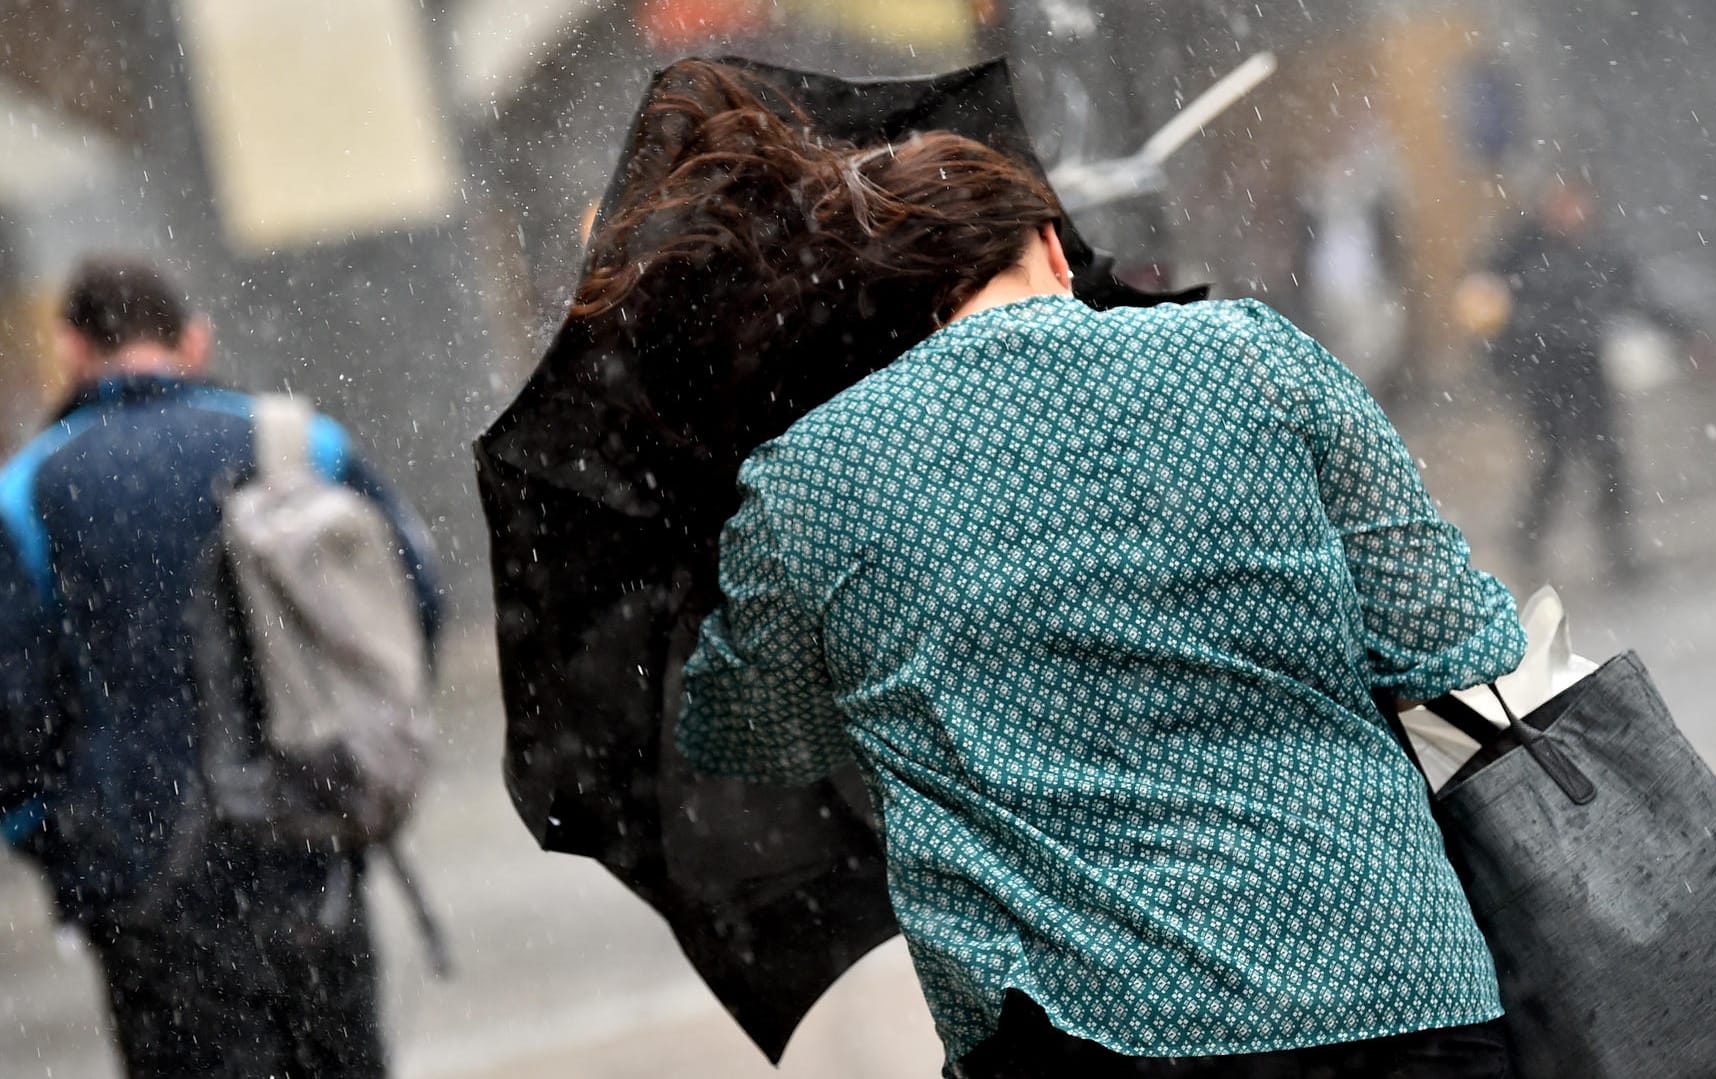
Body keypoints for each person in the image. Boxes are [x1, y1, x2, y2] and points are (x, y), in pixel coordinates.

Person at [591, 60, 1525, 1079]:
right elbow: (1454, 637)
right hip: (1391, 979)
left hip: (1080, 1026)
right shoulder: (1254, 354)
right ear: (1049, 243)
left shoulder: (815, 478)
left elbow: (756, 731)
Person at [0, 258, 441, 1078]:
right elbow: (414, 602)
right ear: (193, 339)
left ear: (71, 347)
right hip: (313, 842)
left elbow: (14, 710)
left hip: (149, 883)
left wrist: (67, 851)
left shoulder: (25, 492)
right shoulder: (298, 441)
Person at [1475, 180, 1691, 582]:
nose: (1573, 214)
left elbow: (1638, 297)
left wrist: (1687, 333)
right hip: (1544, 373)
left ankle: (1618, 552)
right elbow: (1489, 303)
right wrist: (1510, 356)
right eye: (1564, 205)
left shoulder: (1600, 252)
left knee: (1608, 460)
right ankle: (1527, 541)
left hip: (1588, 370)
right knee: (1554, 462)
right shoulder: (1521, 252)